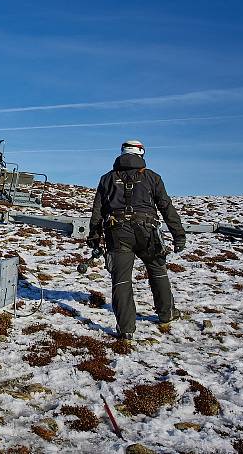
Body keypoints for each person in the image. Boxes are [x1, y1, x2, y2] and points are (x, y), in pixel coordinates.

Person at [87, 140, 187, 340]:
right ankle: (166, 314)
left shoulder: (107, 179)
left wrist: (95, 237)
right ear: (141, 154)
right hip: (148, 232)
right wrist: (178, 235)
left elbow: (98, 211)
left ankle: (126, 329)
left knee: (121, 280)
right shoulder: (152, 177)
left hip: (117, 233)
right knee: (158, 270)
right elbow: (166, 207)